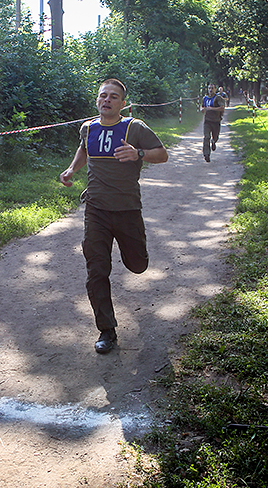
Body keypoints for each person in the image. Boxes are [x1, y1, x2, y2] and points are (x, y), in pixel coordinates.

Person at [59, 79, 168, 354]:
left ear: (122, 103)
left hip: (127, 210)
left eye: (113, 96)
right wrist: (72, 169)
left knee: (138, 265)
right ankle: (106, 329)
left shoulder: (134, 127)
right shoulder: (88, 128)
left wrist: (138, 153)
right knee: (96, 270)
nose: (107, 100)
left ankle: (137, 256)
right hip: (96, 210)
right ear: (97, 99)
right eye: (103, 95)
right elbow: (84, 149)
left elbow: (162, 154)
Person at [200, 83, 225, 162]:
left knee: (215, 137)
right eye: (209, 88)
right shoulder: (205, 98)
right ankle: (206, 154)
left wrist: (212, 109)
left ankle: (213, 142)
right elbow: (202, 106)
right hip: (207, 121)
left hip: (216, 121)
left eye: (212, 88)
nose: (210, 90)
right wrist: (202, 109)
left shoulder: (218, 98)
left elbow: (222, 108)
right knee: (206, 137)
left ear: (215, 89)